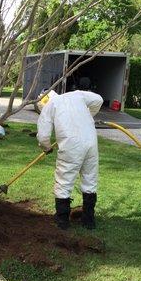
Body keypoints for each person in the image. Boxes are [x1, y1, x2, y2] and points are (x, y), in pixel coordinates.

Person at [36, 77, 103, 229]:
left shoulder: (49, 105)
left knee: (64, 180)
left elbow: (43, 135)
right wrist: (88, 116)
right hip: (91, 142)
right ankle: (88, 221)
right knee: (90, 179)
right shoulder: (76, 95)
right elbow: (98, 99)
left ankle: (62, 221)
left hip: (71, 146)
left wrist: (46, 148)